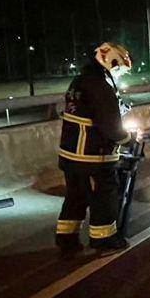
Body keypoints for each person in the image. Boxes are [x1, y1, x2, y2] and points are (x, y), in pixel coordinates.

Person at [55, 42, 137, 252]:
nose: (119, 74)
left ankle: (67, 239)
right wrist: (129, 140)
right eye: (119, 70)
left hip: (70, 153)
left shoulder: (79, 81)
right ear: (111, 62)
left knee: (75, 196)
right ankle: (104, 240)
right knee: (104, 197)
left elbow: (88, 111)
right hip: (92, 155)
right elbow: (112, 127)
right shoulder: (101, 86)